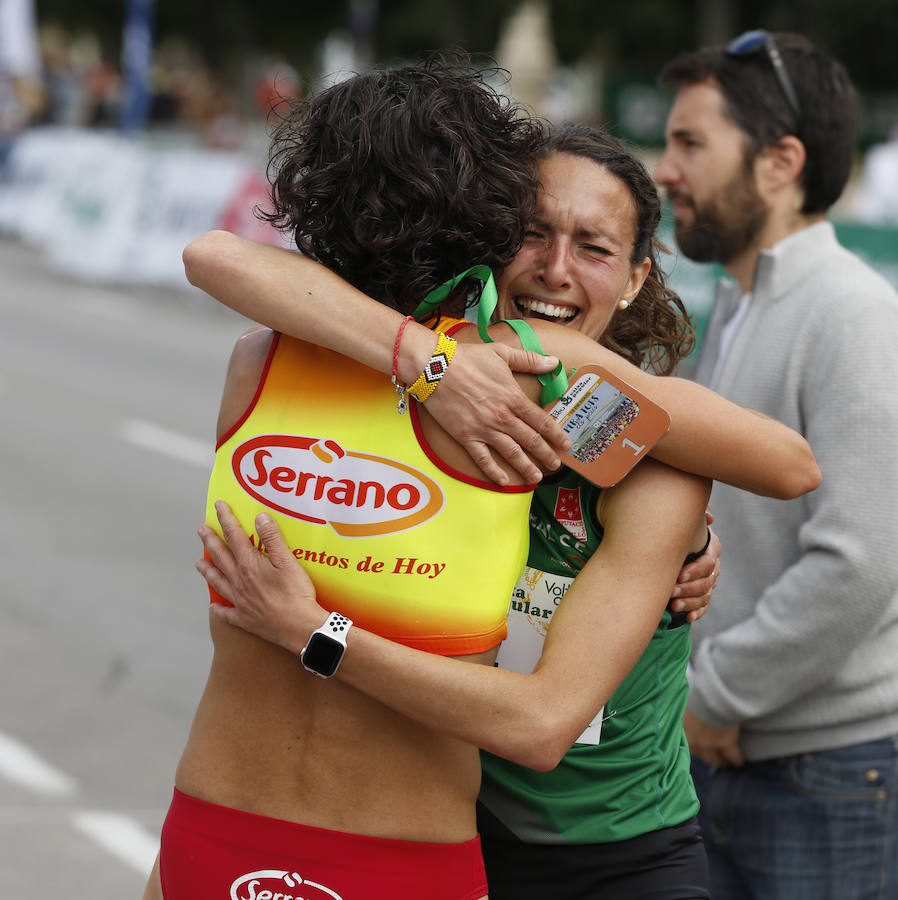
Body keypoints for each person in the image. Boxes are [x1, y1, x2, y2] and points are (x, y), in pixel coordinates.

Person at [186, 120, 820, 898]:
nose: (555, 269)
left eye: (592, 247)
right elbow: (219, 259)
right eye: (530, 234)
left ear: (633, 279)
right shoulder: (434, 373)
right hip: (460, 826)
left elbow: (793, 466)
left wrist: (315, 635)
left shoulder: (630, 430)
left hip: (613, 856)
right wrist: (431, 365)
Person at [654, 30, 898, 899]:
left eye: (691, 144)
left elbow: (859, 564)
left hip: (825, 776)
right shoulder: (734, 307)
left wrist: (712, 695)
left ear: (779, 162)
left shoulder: (854, 315)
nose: (664, 170)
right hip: (730, 750)